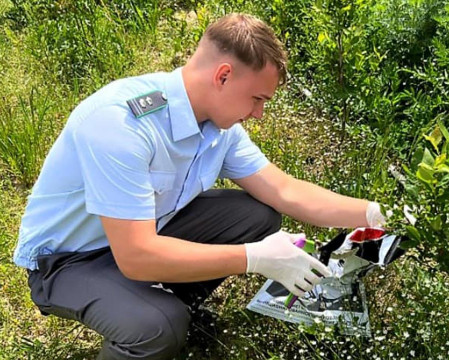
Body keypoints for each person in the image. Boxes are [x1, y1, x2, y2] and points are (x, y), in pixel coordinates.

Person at [14, 13, 386, 360]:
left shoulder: (218, 128)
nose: (258, 114)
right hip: (69, 261)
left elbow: (285, 191)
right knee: (157, 326)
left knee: (256, 214)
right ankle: (155, 313)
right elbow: (136, 255)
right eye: (257, 99)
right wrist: (254, 258)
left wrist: (373, 213)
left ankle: (170, 301)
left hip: (145, 233)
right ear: (223, 76)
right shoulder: (121, 125)